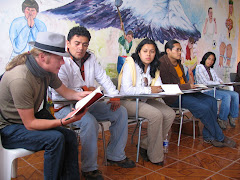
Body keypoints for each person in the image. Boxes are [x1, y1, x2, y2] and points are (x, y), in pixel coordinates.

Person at [0, 32, 92, 180]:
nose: (63, 62)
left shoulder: (46, 71)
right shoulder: (20, 79)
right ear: (42, 57)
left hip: (27, 121)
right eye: (59, 58)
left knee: (69, 135)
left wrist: (83, 96)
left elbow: (66, 92)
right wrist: (63, 121)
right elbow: (30, 124)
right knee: (55, 139)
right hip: (9, 128)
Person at [51, 26, 136, 180]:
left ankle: (115, 155)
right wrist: (85, 89)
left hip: (88, 103)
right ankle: (89, 169)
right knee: (90, 122)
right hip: (65, 106)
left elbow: (103, 78)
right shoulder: (60, 61)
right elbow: (59, 92)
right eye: (77, 43)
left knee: (121, 112)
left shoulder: (90, 57)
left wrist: (114, 96)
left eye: (84, 44)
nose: (80, 48)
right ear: (68, 43)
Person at [159, 40, 236, 148]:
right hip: (174, 97)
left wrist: (192, 85)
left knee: (212, 101)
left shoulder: (178, 62)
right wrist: (187, 86)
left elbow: (183, 82)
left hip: (186, 92)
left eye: (181, 50)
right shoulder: (162, 64)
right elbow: (167, 86)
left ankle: (208, 136)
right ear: (168, 51)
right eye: (177, 50)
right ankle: (220, 137)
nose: (180, 52)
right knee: (203, 107)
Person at [118, 38, 175, 166]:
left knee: (170, 113)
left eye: (152, 51)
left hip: (144, 100)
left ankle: (145, 143)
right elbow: (126, 90)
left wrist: (165, 90)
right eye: (145, 51)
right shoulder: (130, 63)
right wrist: (150, 89)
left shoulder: (154, 67)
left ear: (155, 54)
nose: (148, 54)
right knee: (156, 115)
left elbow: (158, 87)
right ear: (139, 52)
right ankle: (155, 156)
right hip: (128, 101)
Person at [195, 52, 239, 129]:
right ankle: (222, 119)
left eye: (212, 60)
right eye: (209, 59)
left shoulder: (211, 69)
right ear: (205, 58)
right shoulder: (199, 67)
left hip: (215, 88)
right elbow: (205, 82)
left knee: (235, 94)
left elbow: (217, 79)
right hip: (206, 90)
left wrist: (222, 82)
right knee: (226, 96)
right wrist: (218, 83)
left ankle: (233, 116)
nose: (210, 61)